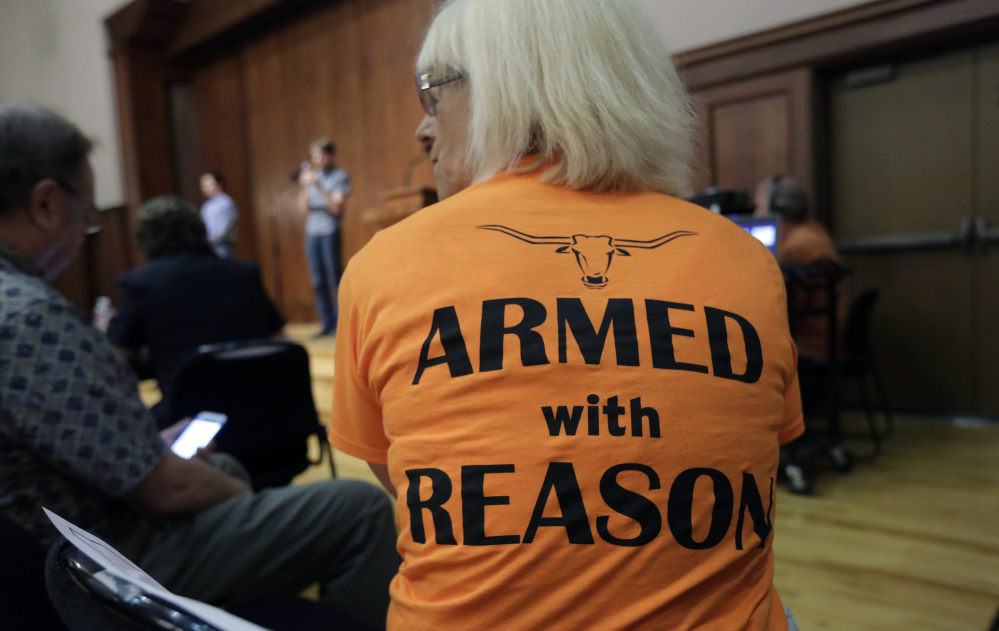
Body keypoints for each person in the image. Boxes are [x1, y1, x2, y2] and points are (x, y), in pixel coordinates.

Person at [328, 1, 804, 630]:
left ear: (503, 86)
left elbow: (410, 484)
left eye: (432, 95)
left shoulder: (384, 264)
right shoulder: (744, 259)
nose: (424, 130)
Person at [0, 104, 398, 628]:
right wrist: (246, 499)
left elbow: (108, 380)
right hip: (97, 563)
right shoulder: (33, 318)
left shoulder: (111, 292)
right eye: (88, 213)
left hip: (44, 544)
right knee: (360, 507)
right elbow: (170, 489)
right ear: (48, 203)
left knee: (224, 466)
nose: (86, 230)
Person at [107, 196, 286, 429]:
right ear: (199, 229)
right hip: (268, 424)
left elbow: (112, 358)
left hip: (190, 431)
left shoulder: (142, 284)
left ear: (145, 239)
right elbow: (281, 343)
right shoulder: (244, 274)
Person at [755, 175, 847, 363]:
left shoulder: (797, 248)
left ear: (776, 209)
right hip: (829, 341)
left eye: (759, 207)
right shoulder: (814, 232)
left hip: (812, 347)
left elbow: (783, 312)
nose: (756, 214)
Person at [297, 138, 350, 337]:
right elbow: (303, 210)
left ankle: (340, 325)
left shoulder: (340, 176)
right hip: (312, 232)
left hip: (329, 231)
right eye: (314, 155)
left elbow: (336, 208)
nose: (317, 159)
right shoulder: (310, 177)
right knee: (317, 280)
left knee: (334, 278)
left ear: (330, 155)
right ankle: (326, 323)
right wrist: (304, 187)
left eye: (320, 155)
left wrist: (318, 185)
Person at [198, 171, 238, 259]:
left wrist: (209, 240)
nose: (205, 188)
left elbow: (222, 229)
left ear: (219, 185)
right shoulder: (207, 205)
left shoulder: (225, 202)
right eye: (204, 185)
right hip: (209, 245)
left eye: (208, 185)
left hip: (221, 245)